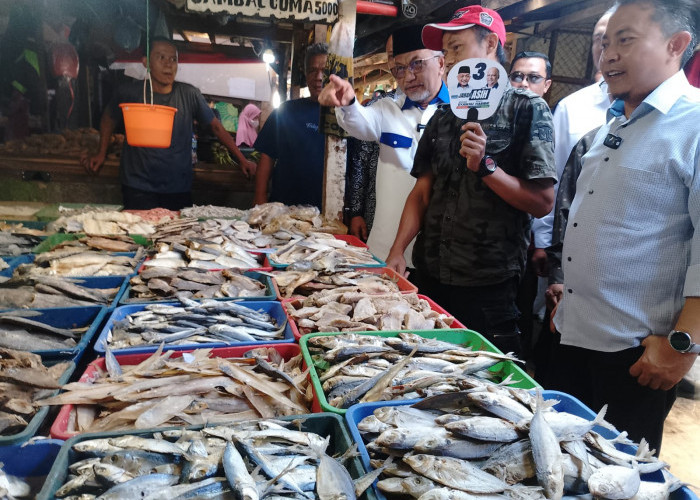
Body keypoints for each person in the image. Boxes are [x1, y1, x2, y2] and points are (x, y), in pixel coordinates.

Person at [550, 0, 699, 453]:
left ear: (677, 45)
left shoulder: (693, 124)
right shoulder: (616, 122)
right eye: (606, 42)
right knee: (560, 466)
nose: (608, 54)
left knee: (616, 473)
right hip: (574, 335)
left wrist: (683, 345)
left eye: (626, 40)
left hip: (637, 353)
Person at [386, 6, 557, 355]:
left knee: (482, 382)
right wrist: (397, 250)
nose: (448, 58)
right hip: (430, 274)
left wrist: (486, 167)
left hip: (488, 285)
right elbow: (422, 192)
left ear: (491, 43)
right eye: (445, 50)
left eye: (457, 47)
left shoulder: (527, 109)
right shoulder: (443, 117)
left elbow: (542, 202)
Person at [319, 25, 448, 268]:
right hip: (387, 248)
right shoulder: (386, 109)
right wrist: (347, 103)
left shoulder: (458, 115)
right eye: (399, 68)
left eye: (417, 64)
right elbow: (359, 122)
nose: (408, 76)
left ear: (441, 63)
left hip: (437, 258)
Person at [84, 37, 256, 210]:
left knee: (176, 234)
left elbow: (216, 127)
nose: (168, 64)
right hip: (138, 185)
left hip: (177, 186)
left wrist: (241, 159)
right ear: (146, 62)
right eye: (161, 58)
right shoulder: (129, 93)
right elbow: (109, 118)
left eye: (173, 59)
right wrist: (101, 153)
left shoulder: (189, 94)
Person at [536, 10, 614, 277]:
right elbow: (553, 176)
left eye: (621, 38)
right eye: (599, 39)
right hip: (568, 250)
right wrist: (544, 243)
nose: (607, 49)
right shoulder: (573, 106)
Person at [506, 50, 553, 361]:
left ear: (546, 84)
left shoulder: (546, 117)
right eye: (517, 76)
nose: (523, 83)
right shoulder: (502, 118)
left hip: (534, 238)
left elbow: (551, 191)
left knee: (523, 312)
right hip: (509, 240)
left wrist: (544, 243)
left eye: (533, 77)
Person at [253, 43, 328, 208]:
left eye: (325, 70)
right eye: (312, 70)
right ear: (305, 74)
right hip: (282, 210)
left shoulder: (344, 117)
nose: (319, 77)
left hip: (326, 213)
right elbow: (266, 158)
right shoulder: (286, 111)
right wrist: (260, 200)